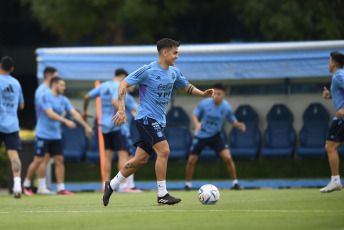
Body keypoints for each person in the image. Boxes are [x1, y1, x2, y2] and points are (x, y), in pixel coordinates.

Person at [103, 38, 214, 206]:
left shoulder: (174, 72)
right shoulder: (147, 70)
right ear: (165, 52)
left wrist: (203, 94)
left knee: (139, 160)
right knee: (164, 150)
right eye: (175, 53)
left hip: (159, 121)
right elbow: (123, 85)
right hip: (146, 118)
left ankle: (111, 185)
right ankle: (162, 194)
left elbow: (186, 87)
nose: (177, 56)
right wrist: (121, 109)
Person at [31, 77, 93, 195]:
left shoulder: (63, 99)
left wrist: (86, 126)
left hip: (55, 135)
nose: (64, 88)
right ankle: (40, 187)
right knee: (42, 160)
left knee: (59, 159)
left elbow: (74, 113)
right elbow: (50, 113)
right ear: (54, 85)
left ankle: (61, 188)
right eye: (62, 85)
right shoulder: (45, 96)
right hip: (43, 134)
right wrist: (66, 121)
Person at [184, 83, 246, 191]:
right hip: (201, 135)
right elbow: (195, 115)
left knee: (227, 157)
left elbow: (232, 119)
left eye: (219, 94)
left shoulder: (226, 107)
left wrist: (238, 124)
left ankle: (235, 183)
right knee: (191, 160)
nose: (216, 96)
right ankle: (188, 185)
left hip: (215, 136)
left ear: (223, 95)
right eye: (214, 93)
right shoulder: (204, 103)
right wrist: (197, 124)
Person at [83, 69, 131, 183]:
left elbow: (86, 97)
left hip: (104, 126)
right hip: (117, 125)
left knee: (107, 157)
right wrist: (122, 114)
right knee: (122, 154)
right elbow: (115, 101)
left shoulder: (103, 86)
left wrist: (84, 111)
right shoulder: (119, 86)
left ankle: (106, 184)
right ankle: (123, 185)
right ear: (123, 76)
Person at [23, 67, 58, 196]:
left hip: (50, 132)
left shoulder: (49, 90)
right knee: (38, 160)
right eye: (55, 77)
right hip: (42, 132)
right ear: (49, 77)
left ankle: (42, 187)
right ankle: (26, 184)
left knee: (45, 159)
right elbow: (48, 112)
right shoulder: (42, 91)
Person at [0, 56, 24, 198]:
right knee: (14, 155)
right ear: (12, 69)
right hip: (12, 125)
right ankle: (17, 186)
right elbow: (21, 105)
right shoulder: (16, 83)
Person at [321, 51, 344, 193]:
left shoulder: (338, 75)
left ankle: (335, 181)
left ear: (333, 63)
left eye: (329, 61)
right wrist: (330, 96)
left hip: (342, 119)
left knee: (330, 147)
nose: (328, 64)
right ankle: (335, 180)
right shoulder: (339, 76)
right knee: (330, 146)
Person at [119, 86, 142, 193]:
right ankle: (125, 186)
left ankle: (128, 185)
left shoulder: (121, 96)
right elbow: (137, 110)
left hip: (119, 130)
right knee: (126, 156)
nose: (134, 85)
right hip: (122, 130)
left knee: (128, 156)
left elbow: (134, 113)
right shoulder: (126, 97)